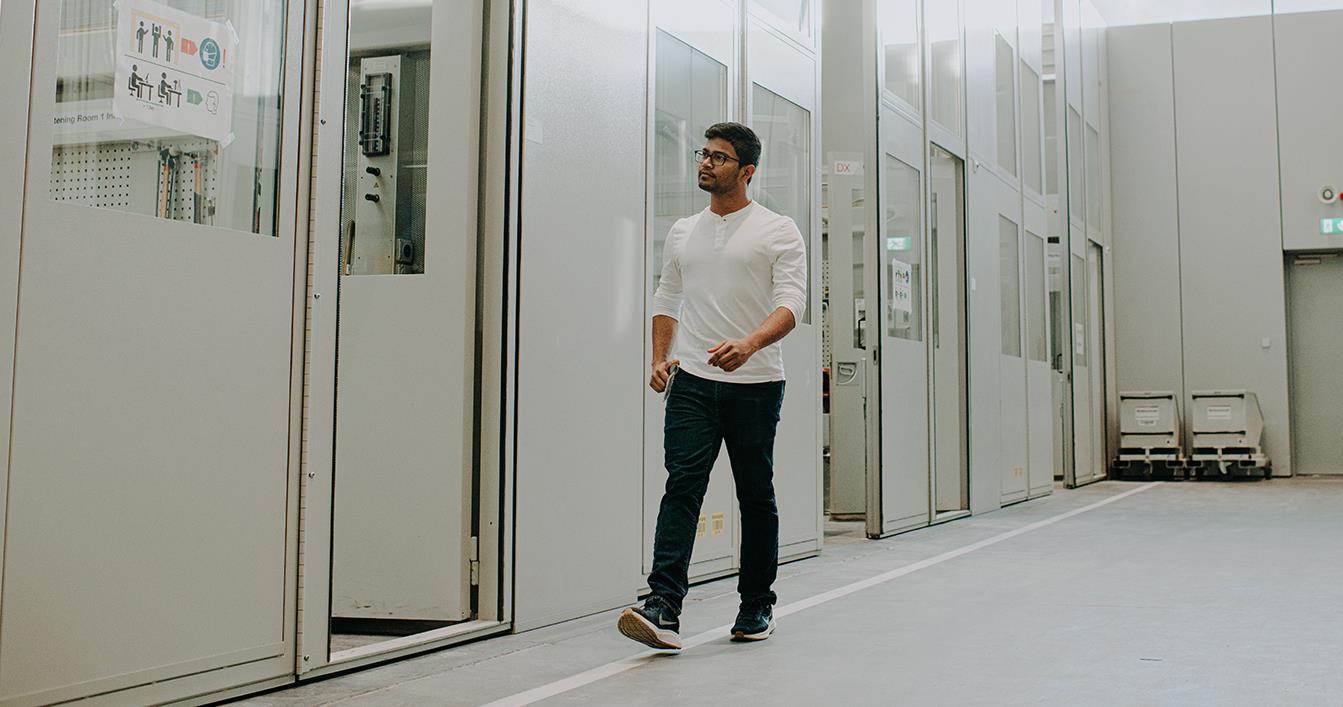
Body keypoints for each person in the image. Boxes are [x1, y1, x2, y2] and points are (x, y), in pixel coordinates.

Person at [617, 122, 807, 650]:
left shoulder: (777, 229)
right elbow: (666, 296)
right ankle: (663, 607)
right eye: (704, 154)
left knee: (755, 495)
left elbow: (793, 304)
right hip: (693, 383)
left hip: (756, 384)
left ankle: (756, 606)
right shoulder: (683, 231)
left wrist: (749, 344)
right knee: (682, 486)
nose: (705, 163)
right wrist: (659, 358)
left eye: (719, 158)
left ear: (746, 171)